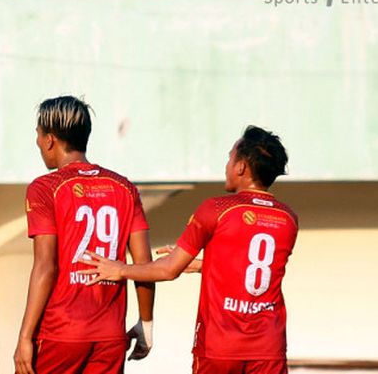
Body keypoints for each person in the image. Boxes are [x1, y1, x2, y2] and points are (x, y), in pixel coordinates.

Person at [80, 126, 297, 374]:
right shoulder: (288, 218)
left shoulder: (216, 209)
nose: (226, 165)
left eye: (229, 157)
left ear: (241, 167)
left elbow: (169, 269)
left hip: (220, 346)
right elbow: (253, 271)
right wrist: (206, 265)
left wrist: (120, 269)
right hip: (268, 346)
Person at [13, 96, 155, 374]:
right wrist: (146, 323)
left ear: (50, 139)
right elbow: (144, 266)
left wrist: (25, 336)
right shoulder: (124, 187)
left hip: (60, 332)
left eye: (39, 136)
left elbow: (45, 267)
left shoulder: (45, 188)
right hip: (110, 336)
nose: (39, 143)